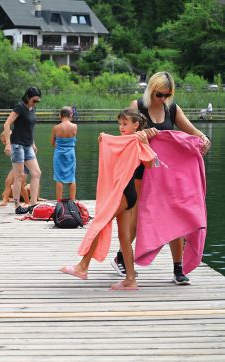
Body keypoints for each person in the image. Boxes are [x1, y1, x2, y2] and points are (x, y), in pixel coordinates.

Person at [111, 71, 212, 284]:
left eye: (167, 95)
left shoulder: (172, 109)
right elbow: (125, 134)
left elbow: (192, 130)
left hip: (167, 172)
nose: (163, 99)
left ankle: (178, 268)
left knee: (177, 215)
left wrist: (203, 138)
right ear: (150, 90)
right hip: (141, 169)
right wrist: (141, 135)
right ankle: (121, 256)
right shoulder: (138, 106)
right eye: (159, 94)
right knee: (138, 218)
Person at [60, 108, 157, 290]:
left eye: (125, 124)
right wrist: (104, 140)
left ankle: (83, 266)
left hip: (125, 194)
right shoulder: (122, 140)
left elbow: (151, 163)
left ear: (136, 125)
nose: (121, 127)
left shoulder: (136, 140)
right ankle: (130, 279)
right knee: (124, 238)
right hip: (126, 194)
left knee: (101, 222)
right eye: (119, 123)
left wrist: (146, 143)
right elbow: (114, 150)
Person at [2, 87, 43, 215]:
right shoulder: (20, 107)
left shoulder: (32, 108)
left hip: (28, 145)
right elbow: (7, 124)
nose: (36, 103)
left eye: (38, 101)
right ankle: (17, 206)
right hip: (17, 145)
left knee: (36, 173)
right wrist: (8, 144)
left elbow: (29, 128)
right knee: (19, 176)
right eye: (34, 100)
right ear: (28, 97)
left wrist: (33, 143)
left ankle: (33, 204)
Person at [51, 106, 78, 201]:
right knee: (72, 177)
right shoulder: (74, 126)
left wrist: (59, 147)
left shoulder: (56, 128)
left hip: (59, 154)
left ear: (60, 115)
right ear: (70, 115)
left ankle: (59, 201)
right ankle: (72, 200)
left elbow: (52, 142)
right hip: (71, 153)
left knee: (59, 178)